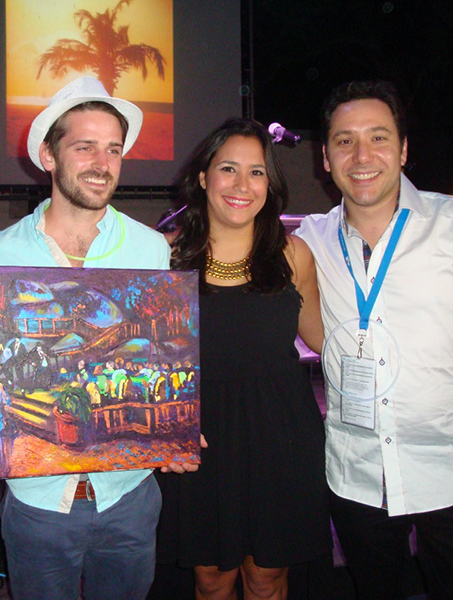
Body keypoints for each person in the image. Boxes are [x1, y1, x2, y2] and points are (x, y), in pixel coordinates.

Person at [295, 80, 453, 600]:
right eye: (344, 140)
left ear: (403, 150)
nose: (362, 155)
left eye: (379, 138)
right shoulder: (309, 240)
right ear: (325, 157)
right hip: (355, 478)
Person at [0, 76, 193, 599]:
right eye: (85, 146)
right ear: (48, 155)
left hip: (130, 497)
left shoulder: (150, 249)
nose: (102, 162)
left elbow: (159, 358)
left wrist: (178, 424)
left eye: (113, 149)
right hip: (38, 502)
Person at [157, 118, 332, 600]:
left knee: (268, 578)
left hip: (281, 435)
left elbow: (321, 337)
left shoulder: (294, 254)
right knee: (211, 581)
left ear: (269, 183)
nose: (241, 185)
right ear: (202, 177)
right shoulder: (166, 258)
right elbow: (144, 360)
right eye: (228, 168)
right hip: (200, 438)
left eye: (256, 172)